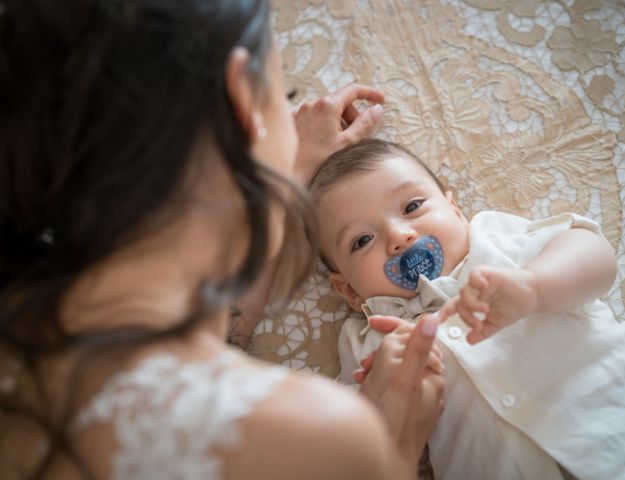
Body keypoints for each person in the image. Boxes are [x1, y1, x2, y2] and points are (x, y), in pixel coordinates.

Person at [0, 2, 445, 479]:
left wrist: (270, 170)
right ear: (242, 96)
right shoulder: (324, 434)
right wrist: (393, 449)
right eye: (284, 93)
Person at [310, 138, 625, 480]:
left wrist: (535, 285)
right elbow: (356, 447)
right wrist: (378, 398)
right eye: (363, 240)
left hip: (620, 417)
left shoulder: (493, 241)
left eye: (411, 207)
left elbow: (594, 253)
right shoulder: (371, 340)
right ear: (347, 289)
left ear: (455, 211)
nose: (399, 236)